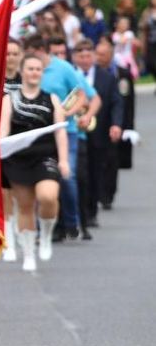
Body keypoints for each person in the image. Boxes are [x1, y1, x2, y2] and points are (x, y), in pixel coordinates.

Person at [0, 53, 69, 272]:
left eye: (38, 69)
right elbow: (3, 133)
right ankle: (29, 253)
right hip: (18, 158)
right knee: (25, 206)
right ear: (22, 70)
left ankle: (46, 233)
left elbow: (60, 133)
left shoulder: (52, 99)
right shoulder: (9, 100)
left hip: (45, 156)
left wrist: (64, 160)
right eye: (30, 68)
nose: (34, 73)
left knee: (48, 197)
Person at [41, 36, 98, 242]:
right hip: (44, 132)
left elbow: (90, 97)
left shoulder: (66, 70)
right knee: (48, 178)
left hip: (72, 132)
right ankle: (54, 225)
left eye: (61, 53)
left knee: (72, 178)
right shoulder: (35, 69)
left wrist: (84, 114)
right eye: (56, 53)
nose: (59, 57)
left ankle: (77, 222)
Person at [73, 40, 123, 229]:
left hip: (99, 133)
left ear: (93, 57)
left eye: (88, 56)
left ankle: (91, 213)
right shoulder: (71, 76)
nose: (85, 60)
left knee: (94, 173)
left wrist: (116, 124)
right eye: (81, 56)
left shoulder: (107, 78)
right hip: (75, 132)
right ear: (75, 57)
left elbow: (116, 102)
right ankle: (77, 212)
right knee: (78, 174)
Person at [95, 38, 134, 207]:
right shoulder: (92, 73)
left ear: (111, 56)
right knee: (97, 159)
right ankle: (96, 192)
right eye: (97, 54)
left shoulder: (121, 74)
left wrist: (127, 126)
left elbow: (128, 101)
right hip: (97, 120)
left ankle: (108, 195)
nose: (99, 57)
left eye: (103, 54)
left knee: (112, 160)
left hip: (115, 122)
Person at [1, 38, 24, 262]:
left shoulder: (27, 79)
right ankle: (7, 235)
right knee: (5, 191)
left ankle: (20, 223)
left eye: (15, 53)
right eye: (7, 54)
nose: (11, 58)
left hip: (25, 139)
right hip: (2, 140)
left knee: (22, 190)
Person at [111, 16, 140, 80]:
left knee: (131, 73)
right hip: (118, 57)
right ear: (117, 25)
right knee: (122, 73)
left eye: (126, 23)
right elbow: (122, 41)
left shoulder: (129, 33)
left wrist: (134, 42)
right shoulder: (115, 35)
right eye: (122, 23)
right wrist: (128, 38)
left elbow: (137, 43)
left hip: (128, 56)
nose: (124, 25)